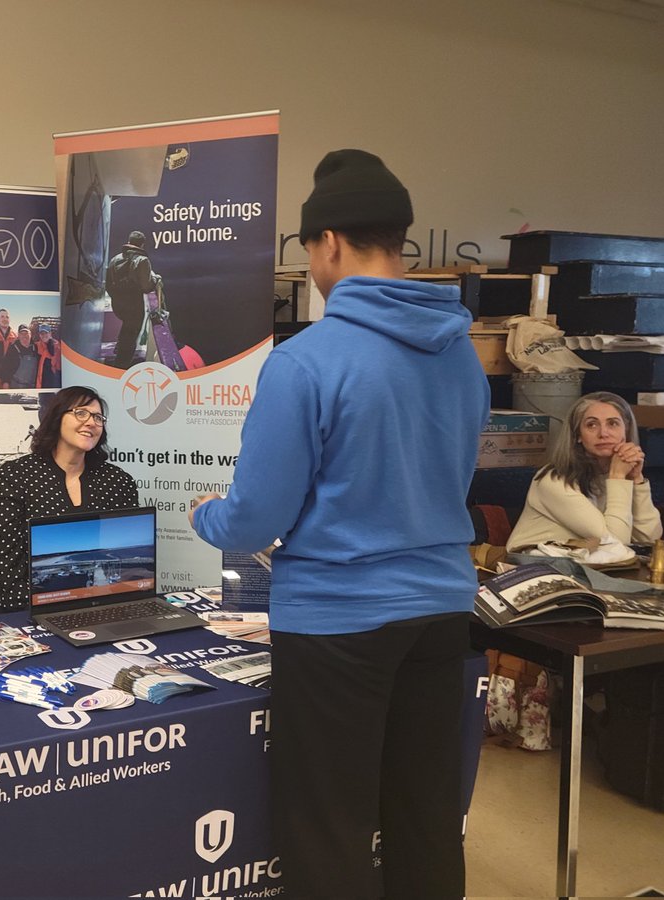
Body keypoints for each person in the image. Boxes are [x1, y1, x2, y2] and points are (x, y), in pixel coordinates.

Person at [189, 149, 489, 898]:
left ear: (327, 243)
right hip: (444, 607)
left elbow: (259, 514)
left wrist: (207, 517)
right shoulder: (461, 356)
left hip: (339, 621)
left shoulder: (308, 361)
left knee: (330, 825)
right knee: (425, 811)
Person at [0, 386, 139, 611]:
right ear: (57, 418)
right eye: (81, 413)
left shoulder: (118, 481)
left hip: (95, 606)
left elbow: (123, 559)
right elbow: (2, 566)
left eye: (98, 417)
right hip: (20, 610)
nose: (91, 422)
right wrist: (51, 606)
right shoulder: (16, 475)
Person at [507, 391, 662, 552]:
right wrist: (618, 479)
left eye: (613, 423)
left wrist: (637, 480)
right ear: (577, 435)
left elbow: (650, 541)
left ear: (626, 430)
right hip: (535, 569)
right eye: (591, 425)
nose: (603, 433)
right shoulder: (553, 480)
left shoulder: (618, 474)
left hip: (587, 567)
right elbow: (615, 544)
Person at [105, 230, 156, 368]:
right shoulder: (143, 260)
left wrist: (117, 297)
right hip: (134, 305)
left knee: (127, 326)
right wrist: (155, 280)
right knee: (132, 333)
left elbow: (108, 284)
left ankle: (120, 349)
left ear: (129, 242)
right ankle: (122, 365)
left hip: (118, 305)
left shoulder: (114, 259)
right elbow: (146, 287)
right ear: (142, 245)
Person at [9, 324, 40, 389]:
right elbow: (6, 368)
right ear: (18, 335)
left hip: (32, 386)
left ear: (30, 335)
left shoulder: (37, 348)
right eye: (22, 333)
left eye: (26, 333)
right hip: (16, 385)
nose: (24, 336)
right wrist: (5, 382)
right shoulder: (12, 348)